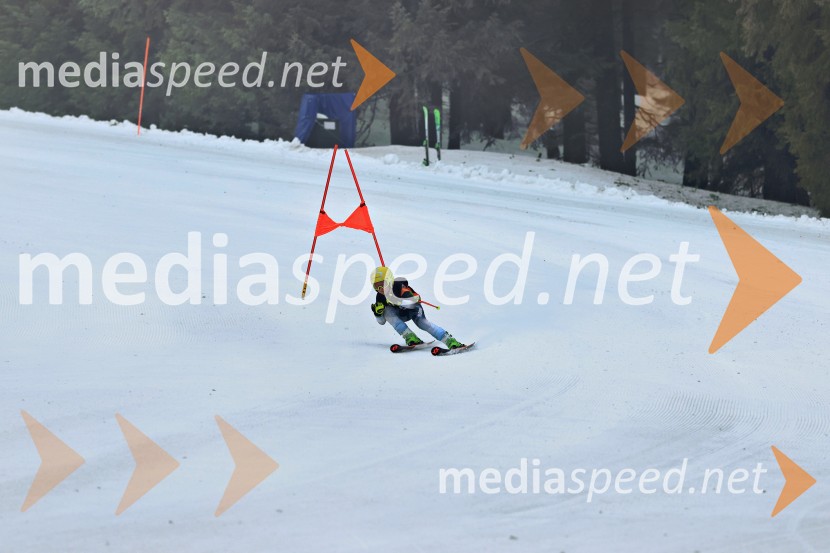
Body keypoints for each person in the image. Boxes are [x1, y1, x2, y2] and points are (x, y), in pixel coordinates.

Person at [370, 266, 464, 348]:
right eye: (376, 287)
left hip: (413, 310)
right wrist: (378, 314)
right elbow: (381, 322)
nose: (380, 289)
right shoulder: (380, 296)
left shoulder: (399, 286)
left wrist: (396, 300)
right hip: (400, 314)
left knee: (421, 323)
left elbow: (412, 303)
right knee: (387, 311)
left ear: (389, 280)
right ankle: (410, 337)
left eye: (382, 284)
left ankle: (449, 340)